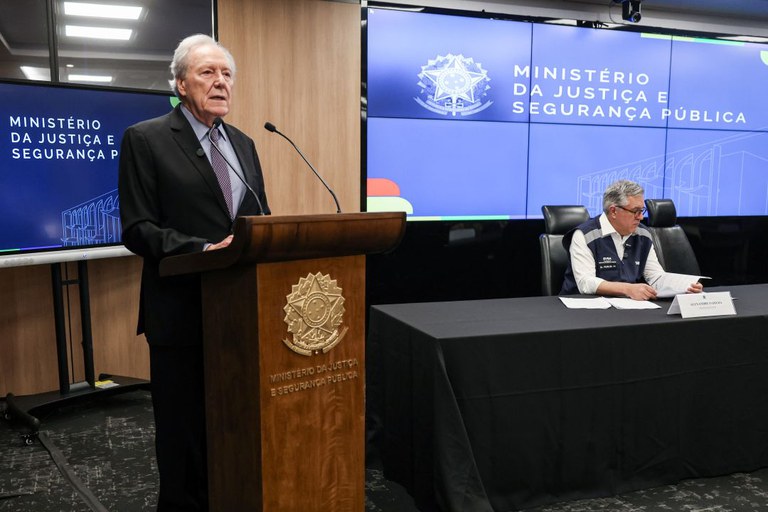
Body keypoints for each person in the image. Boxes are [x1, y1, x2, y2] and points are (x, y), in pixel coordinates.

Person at [118, 34, 270, 511]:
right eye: (208, 72)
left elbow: (259, 219)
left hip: (240, 313)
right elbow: (138, 228)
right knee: (184, 435)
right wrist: (205, 249)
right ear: (181, 84)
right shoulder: (146, 139)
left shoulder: (243, 144)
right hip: (181, 313)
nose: (220, 82)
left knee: (234, 425)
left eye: (227, 74)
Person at [560, 179, 702, 300]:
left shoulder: (643, 234)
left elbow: (655, 277)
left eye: (642, 211)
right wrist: (628, 289)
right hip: (582, 309)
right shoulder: (585, 234)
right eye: (635, 211)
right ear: (614, 211)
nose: (641, 217)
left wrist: (685, 286)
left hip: (625, 308)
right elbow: (585, 282)